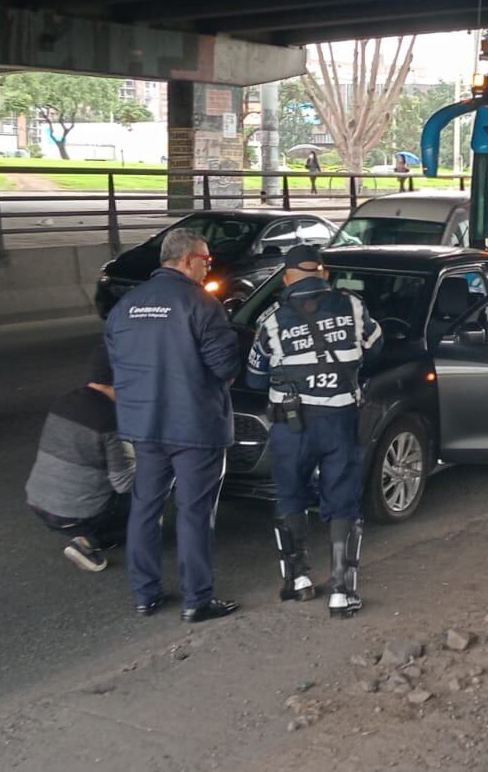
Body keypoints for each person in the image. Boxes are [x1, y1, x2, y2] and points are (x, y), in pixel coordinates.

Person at [104, 226, 243, 622]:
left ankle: (145, 596)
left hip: (144, 426)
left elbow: (117, 362)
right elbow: (226, 367)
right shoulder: (201, 304)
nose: (208, 268)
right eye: (207, 261)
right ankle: (196, 601)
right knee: (195, 512)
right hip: (195, 427)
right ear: (187, 260)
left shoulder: (127, 304)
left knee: (145, 509)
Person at [244, 244, 382, 617]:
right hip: (339, 420)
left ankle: (297, 580)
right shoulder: (353, 307)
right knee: (343, 501)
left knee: (290, 496)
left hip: (291, 426)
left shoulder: (271, 321)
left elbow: (255, 379)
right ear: (323, 274)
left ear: (287, 278)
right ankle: (342, 591)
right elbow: (376, 347)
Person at [25, 344, 134, 572]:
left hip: (37, 502)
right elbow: (123, 484)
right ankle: (87, 542)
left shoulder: (63, 400)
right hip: (72, 513)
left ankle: (91, 532)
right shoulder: (109, 420)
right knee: (148, 493)